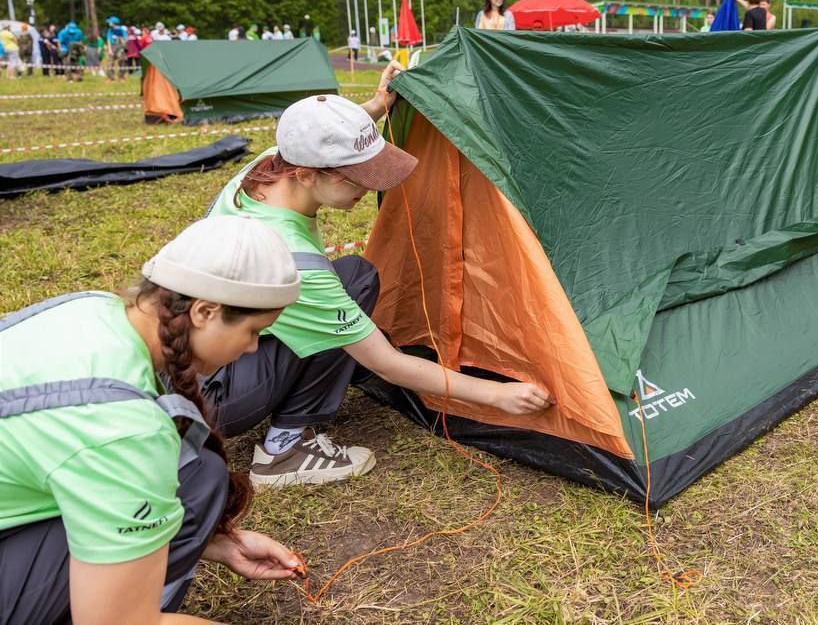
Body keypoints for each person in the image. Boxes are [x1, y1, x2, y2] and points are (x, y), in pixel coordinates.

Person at [203, 68, 554, 485]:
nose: (368, 188)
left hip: (205, 355)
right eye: (357, 178)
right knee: (346, 295)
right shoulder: (293, 261)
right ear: (307, 176)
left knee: (356, 275)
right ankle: (282, 452)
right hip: (216, 397)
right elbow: (388, 366)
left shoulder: (266, 167)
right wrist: (499, 395)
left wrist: (375, 107)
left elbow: (316, 137)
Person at [0, 216, 306, 623]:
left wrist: (220, 544)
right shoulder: (124, 428)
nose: (253, 348)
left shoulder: (90, 309)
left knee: (197, 477)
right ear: (205, 311)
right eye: (254, 331)